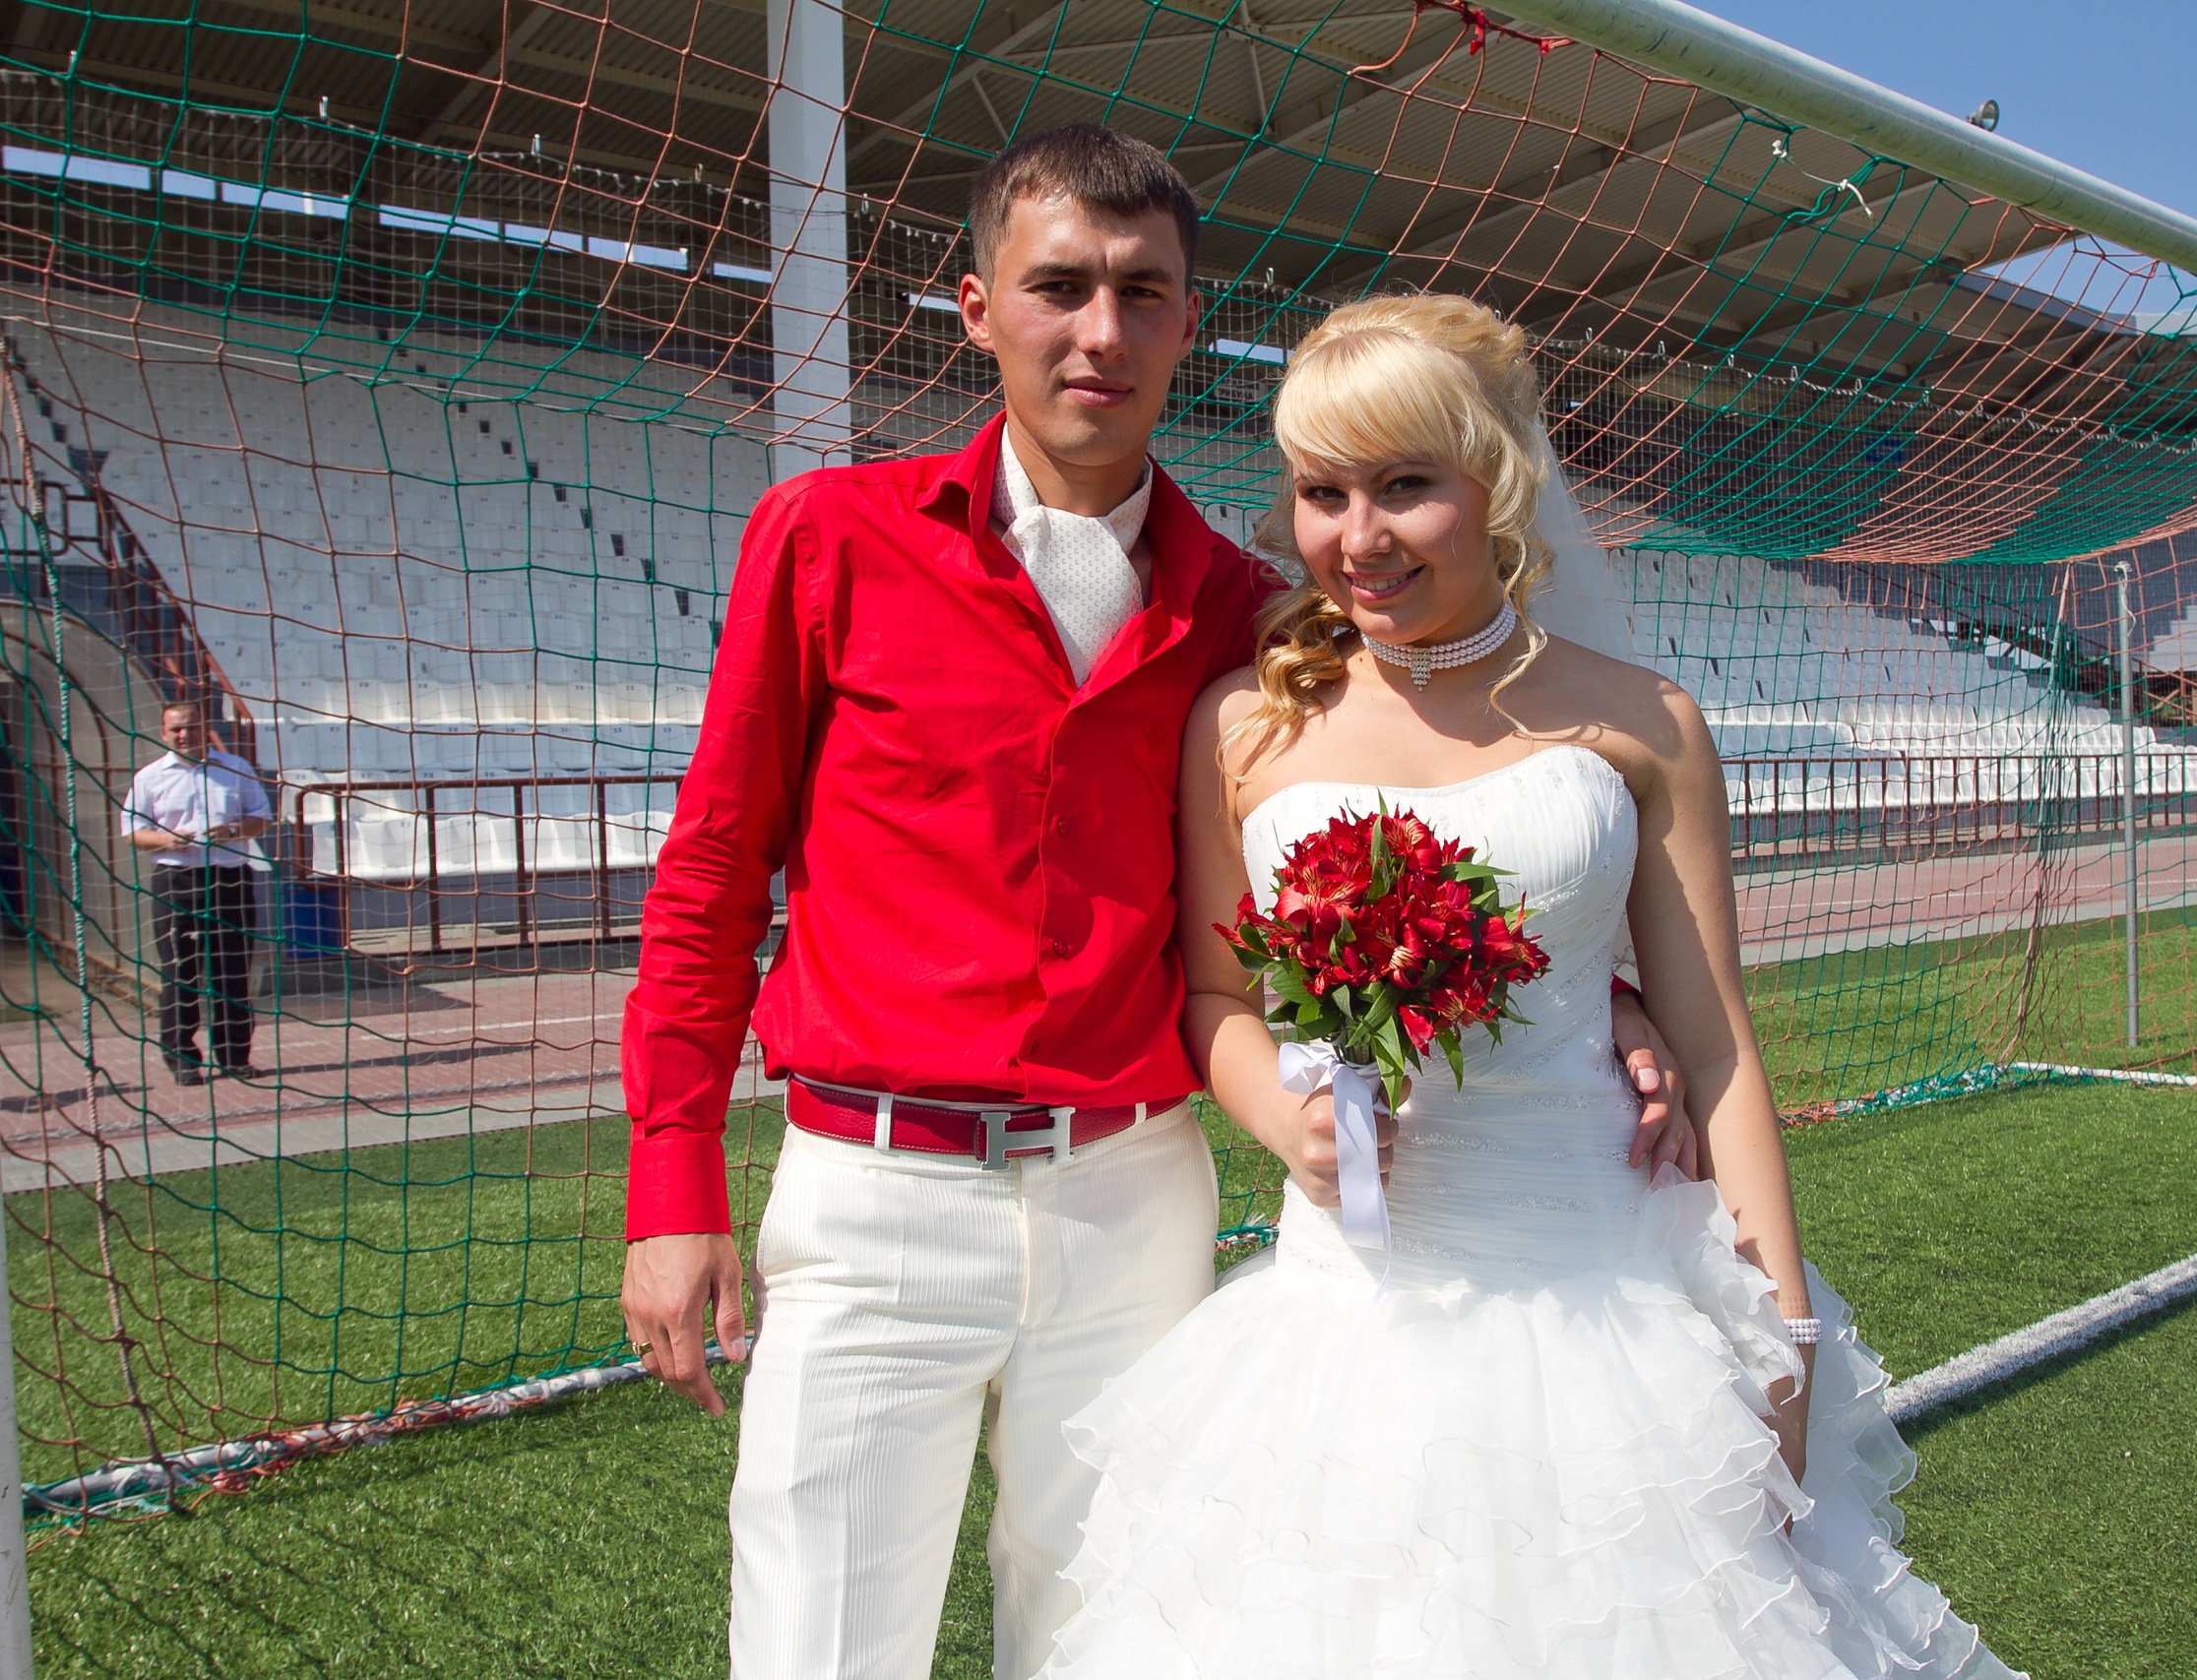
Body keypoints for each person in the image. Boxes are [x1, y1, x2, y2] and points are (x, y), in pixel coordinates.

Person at [617, 128, 1683, 1680]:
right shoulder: (826, 537)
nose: (1099, 331)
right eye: (1059, 286)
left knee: (1111, 1639)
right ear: (977, 307)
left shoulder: (1264, 620)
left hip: (1134, 1202)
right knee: (816, 1650)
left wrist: (1610, 996)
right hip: (875, 1197)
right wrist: (673, 1184)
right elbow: (712, 874)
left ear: (1191, 320)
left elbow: (1441, 814)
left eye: (1141, 291)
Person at [1037, 295, 2022, 1679]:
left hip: (1606, 1309)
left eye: (1405, 486)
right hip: (1343, 1328)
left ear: (1496, 485)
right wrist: (1284, 1118)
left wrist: (1784, 1327)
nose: (1358, 538)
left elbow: (1714, 1045)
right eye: (1323, 491)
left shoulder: (1644, 723)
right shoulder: (1245, 727)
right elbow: (1217, 997)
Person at [121, 699, 271, 1085]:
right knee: (180, 973)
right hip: (177, 883)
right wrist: (165, 839)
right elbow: (132, 832)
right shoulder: (149, 777)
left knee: (233, 971)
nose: (184, 735)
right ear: (164, 734)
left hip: (231, 879)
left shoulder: (235, 768)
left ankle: (235, 1057)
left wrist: (233, 830)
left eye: (191, 726)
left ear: (204, 728)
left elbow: (262, 818)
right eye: (176, 729)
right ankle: (182, 1059)